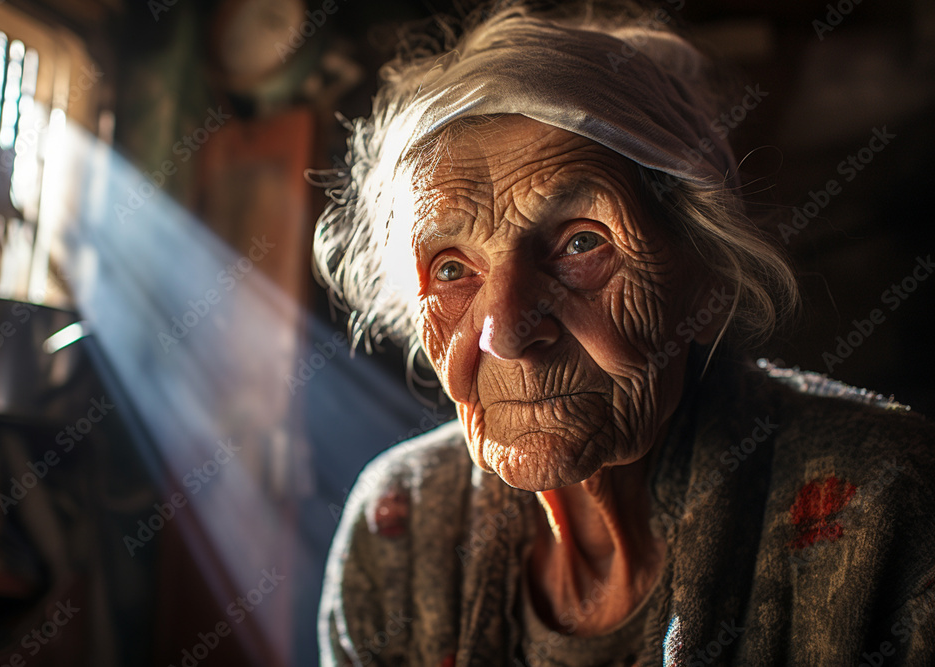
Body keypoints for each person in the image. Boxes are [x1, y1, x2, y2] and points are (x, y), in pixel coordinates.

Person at [311, 2, 935, 664]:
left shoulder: (887, 503)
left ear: (705, 266)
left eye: (582, 242)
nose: (507, 332)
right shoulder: (398, 523)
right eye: (452, 268)